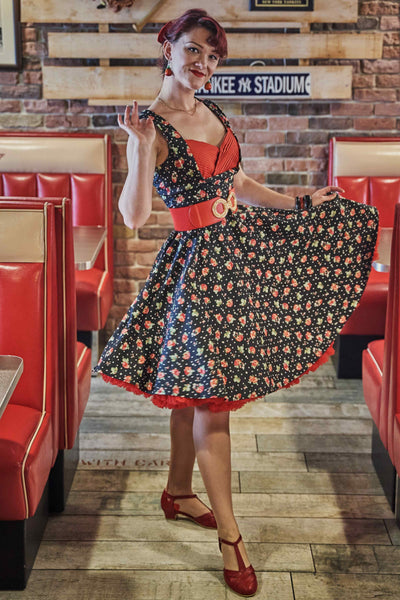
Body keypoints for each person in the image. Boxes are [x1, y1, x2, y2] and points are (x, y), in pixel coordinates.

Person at [95, 8, 379, 597]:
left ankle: (177, 491)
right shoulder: (150, 124)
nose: (204, 64)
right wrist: (141, 149)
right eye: (194, 50)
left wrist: (295, 203)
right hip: (198, 270)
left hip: (235, 254)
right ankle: (231, 536)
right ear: (167, 47)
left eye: (214, 56)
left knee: (193, 392)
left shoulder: (213, 111)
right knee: (212, 401)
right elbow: (134, 216)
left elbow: (237, 185)